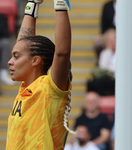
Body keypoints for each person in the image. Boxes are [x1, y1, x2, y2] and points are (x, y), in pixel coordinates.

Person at [6, 0, 74, 149]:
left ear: (36, 60)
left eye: (16, 57)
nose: (10, 62)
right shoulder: (26, 88)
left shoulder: (49, 88)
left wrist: (61, 4)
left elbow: (62, 53)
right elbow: (24, 44)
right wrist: (32, 3)